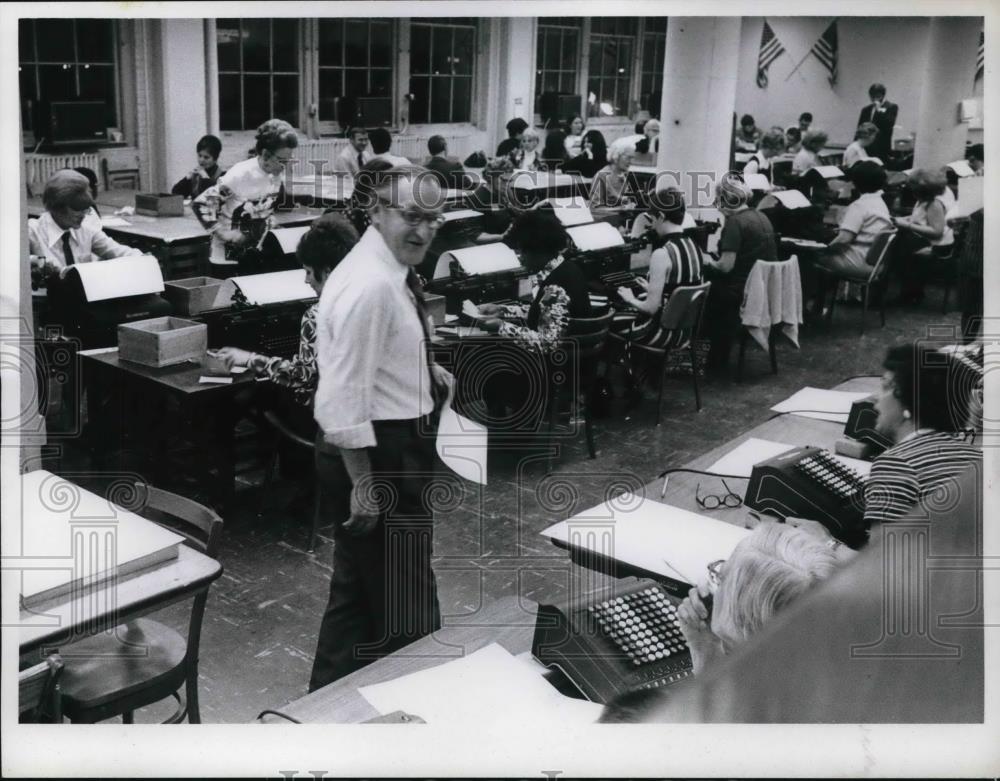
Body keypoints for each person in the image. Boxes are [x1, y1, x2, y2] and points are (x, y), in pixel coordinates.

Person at [309, 165, 453, 690]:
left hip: (386, 445)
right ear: (375, 211)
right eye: (412, 216)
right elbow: (341, 397)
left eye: (434, 220)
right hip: (380, 457)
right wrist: (365, 485)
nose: (424, 230)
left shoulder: (385, 264)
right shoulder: (370, 284)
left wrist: (422, 371)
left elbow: (370, 356)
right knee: (410, 605)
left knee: (358, 596)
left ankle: (318, 713)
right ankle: (428, 710)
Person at [213, 214, 360, 418]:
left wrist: (248, 359)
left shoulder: (317, 315)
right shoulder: (367, 301)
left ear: (326, 272)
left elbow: (301, 377)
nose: (306, 281)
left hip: (321, 414)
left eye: (308, 272)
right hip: (362, 408)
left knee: (244, 399)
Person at [862, 343, 981, 531]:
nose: (876, 398)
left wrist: (826, 540)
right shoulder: (977, 458)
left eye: (886, 387)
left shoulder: (894, 464)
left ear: (908, 399)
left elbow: (885, 558)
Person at [465, 206, 591, 351]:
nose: (521, 259)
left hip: (555, 366)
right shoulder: (568, 268)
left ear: (538, 250)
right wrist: (502, 310)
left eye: (523, 252)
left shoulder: (555, 287)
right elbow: (545, 313)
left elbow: (546, 344)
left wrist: (501, 326)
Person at [193, 118, 297, 267]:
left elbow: (264, 207)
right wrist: (223, 233)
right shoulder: (240, 174)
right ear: (266, 154)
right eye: (282, 161)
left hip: (255, 254)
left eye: (288, 161)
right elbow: (202, 204)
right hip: (227, 260)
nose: (285, 166)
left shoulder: (275, 174)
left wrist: (270, 222)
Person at [701, 176, 778, 374]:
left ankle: (709, 359)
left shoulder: (735, 223)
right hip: (761, 288)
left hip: (740, 291)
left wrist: (706, 260)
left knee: (700, 293)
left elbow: (726, 267)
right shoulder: (762, 217)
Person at [611, 187, 704, 349]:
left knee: (609, 320)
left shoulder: (662, 254)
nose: (652, 226)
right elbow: (680, 289)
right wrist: (652, 288)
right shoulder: (694, 246)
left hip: (662, 332)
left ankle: (627, 371)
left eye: (653, 220)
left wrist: (629, 298)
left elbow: (651, 308)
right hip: (685, 332)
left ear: (661, 216)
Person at [809, 161, 893, 308]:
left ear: (856, 183)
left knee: (809, 258)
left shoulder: (859, 206)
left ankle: (813, 307)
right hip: (875, 264)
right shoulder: (880, 203)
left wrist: (823, 249)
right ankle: (818, 306)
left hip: (858, 263)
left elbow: (844, 239)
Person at [28, 169, 141, 272]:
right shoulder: (31, 231)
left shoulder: (86, 228)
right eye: (77, 209)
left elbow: (117, 250)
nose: (83, 215)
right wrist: (33, 261)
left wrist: (143, 258)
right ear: (57, 208)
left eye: (86, 209)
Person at [892, 167, 954, 304]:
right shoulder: (924, 200)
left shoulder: (935, 204)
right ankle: (911, 291)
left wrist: (907, 225)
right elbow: (919, 217)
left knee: (896, 247)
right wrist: (904, 219)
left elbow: (937, 232)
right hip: (925, 240)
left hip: (938, 245)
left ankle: (909, 292)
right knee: (899, 241)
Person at [588, 139, 636, 215]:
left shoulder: (624, 176)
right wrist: (621, 209)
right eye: (628, 157)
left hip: (620, 220)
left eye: (632, 158)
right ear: (616, 156)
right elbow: (594, 209)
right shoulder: (601, 176)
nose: (631, 162)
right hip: (604, 222)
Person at [171, 134, 225, 198]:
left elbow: (215, 196)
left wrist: (205, 178)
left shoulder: (222, 176)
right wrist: (187, 179)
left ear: (215, 159)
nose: (201, 160)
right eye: (199, 156)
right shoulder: (196, 176)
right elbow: (176, 193)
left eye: (206, 157)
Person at [857, 83, 898, 163]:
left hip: (881, 148)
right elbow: (859, 128)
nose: (873, 99)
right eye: (871, 96)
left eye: (876, 96)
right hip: (865, 147)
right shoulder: (866, 110)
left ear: (882, 95)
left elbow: (889, 125)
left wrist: (879, 110)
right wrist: (856, 144)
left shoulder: (892, 107)